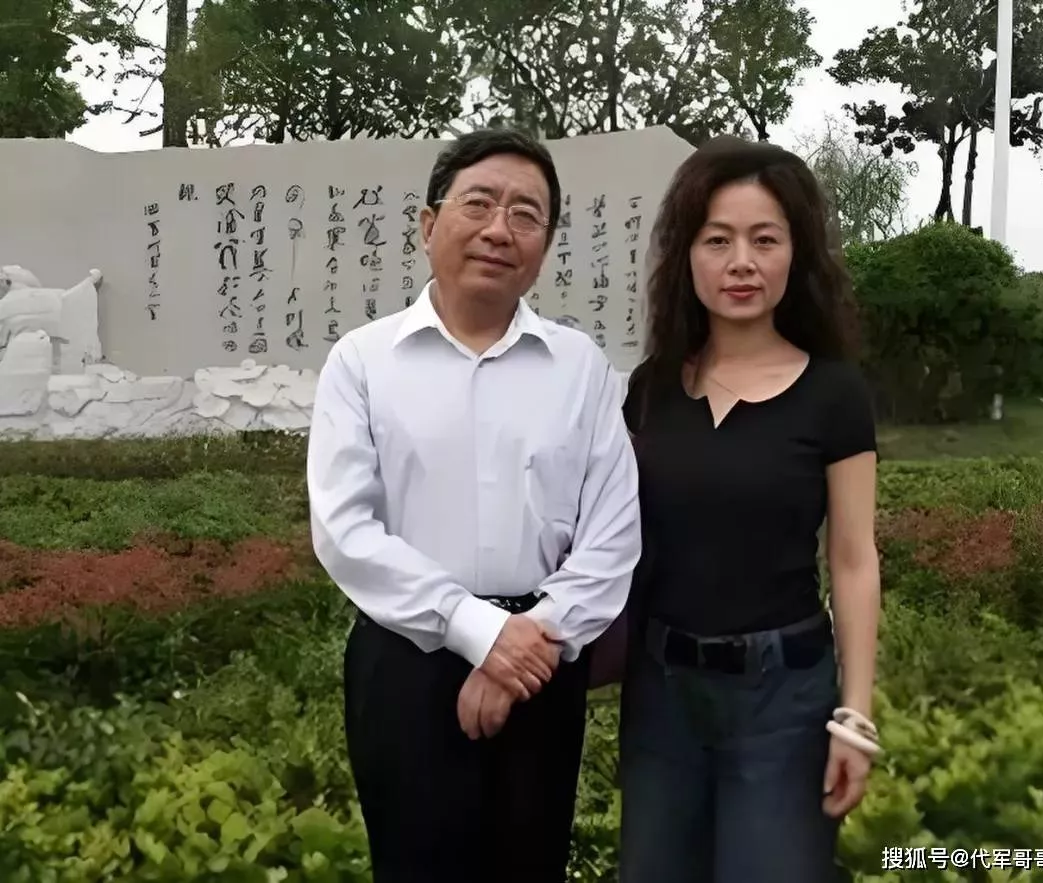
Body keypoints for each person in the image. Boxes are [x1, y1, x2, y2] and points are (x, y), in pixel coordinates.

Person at [307, 128, 642, 883]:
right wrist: (478, 631)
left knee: (531, 864)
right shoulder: (362, 361)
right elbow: (346, 529)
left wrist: (527, 640)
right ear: (428, 225)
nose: (499, 229)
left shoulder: (580, 368)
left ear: (545, 244)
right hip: (407, 656)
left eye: (526, 214)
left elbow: (613, 532)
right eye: (479, 204)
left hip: (542, 658)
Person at [617, 135, 882, 882]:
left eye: (765, 240)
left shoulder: (834, 393)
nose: (742, 262)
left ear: (796, 254)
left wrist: (854, 716)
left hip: (783, 698)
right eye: (718, 240)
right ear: (686, 255)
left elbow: (854, 558)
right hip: (662, 694)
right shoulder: (650, 389)